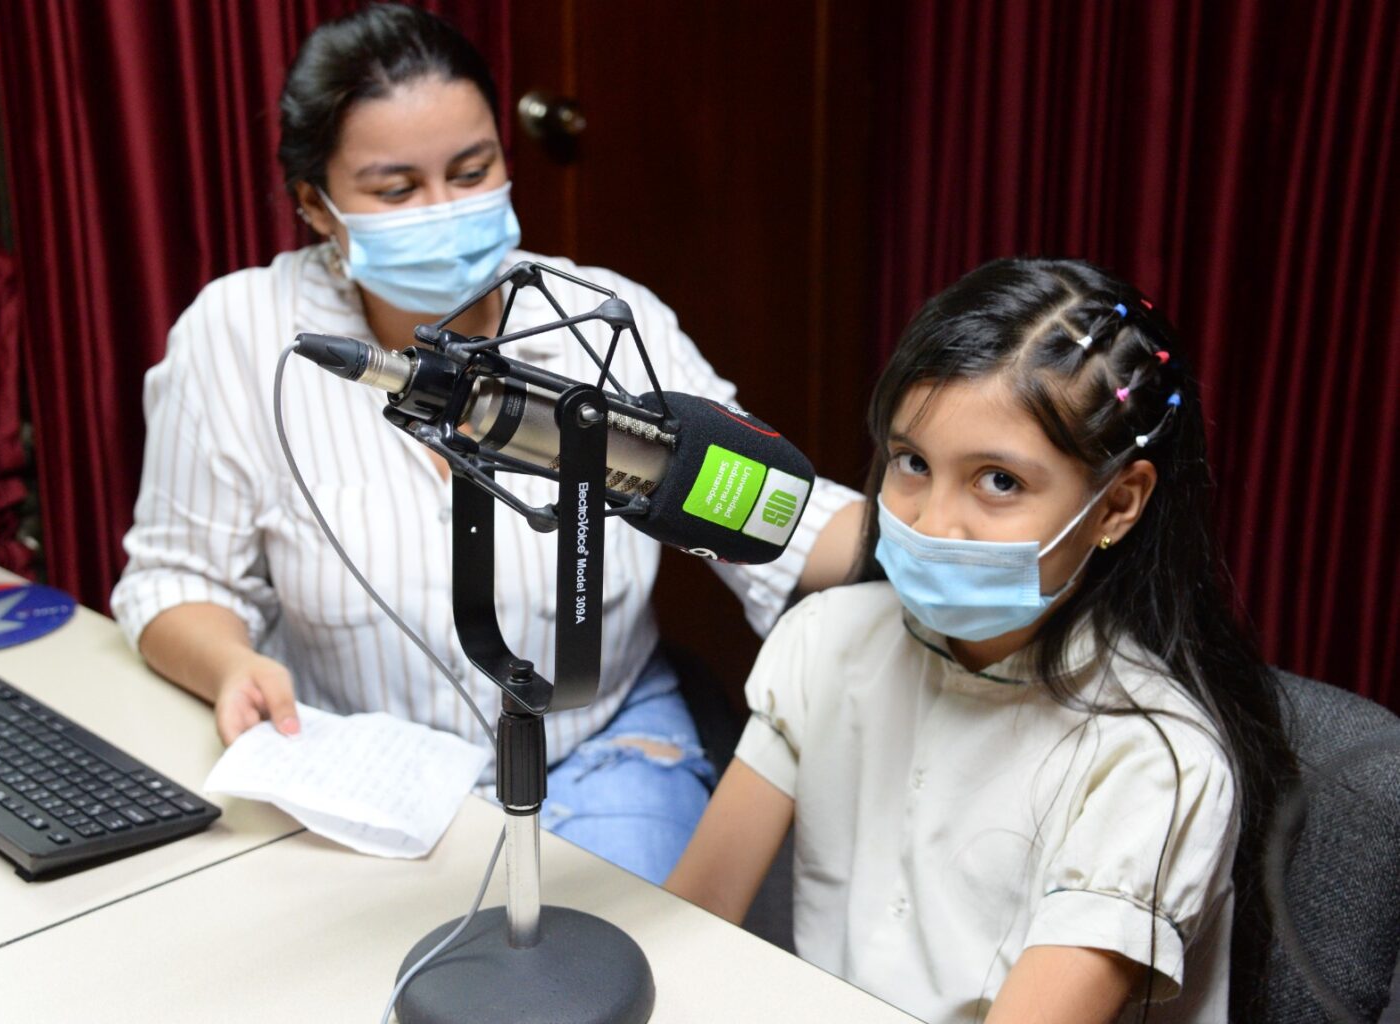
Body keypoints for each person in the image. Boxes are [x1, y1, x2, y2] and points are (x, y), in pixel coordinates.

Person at [109, 3, 862, 886]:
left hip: (603, 750)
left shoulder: (606, 322)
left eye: (473, 171)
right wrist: (231, 663)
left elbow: (783, 521)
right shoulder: (240, 337)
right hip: (365, 774)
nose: (446, 210)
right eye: (397, 190)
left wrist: (944, 547)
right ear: (314, 204)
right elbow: (175, 580)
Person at [666, 258, 1296, 1022]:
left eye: (999, 481)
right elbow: (685, 936)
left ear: (1117, 505)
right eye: (913, 463)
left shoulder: (1154, 761)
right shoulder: (824, 643)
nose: (933, 522)